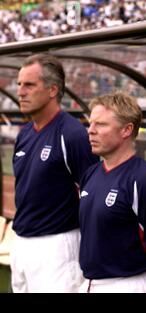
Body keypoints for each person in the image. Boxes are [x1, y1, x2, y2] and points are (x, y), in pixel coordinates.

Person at [12, 53, 99, 292]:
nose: (20, 91)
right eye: (19, 84)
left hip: (57, 248)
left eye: (29, 85)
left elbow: (93, 195)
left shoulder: (73, 135)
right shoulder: (25, 134)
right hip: (21, 243)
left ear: (52, 90)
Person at [78, 91, 146, 293]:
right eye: (91, 123)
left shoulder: (144, 179)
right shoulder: (91, 174)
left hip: (132, 283)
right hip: (91, 283)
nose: (90, 130)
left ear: (126, 130)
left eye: (101, 124)